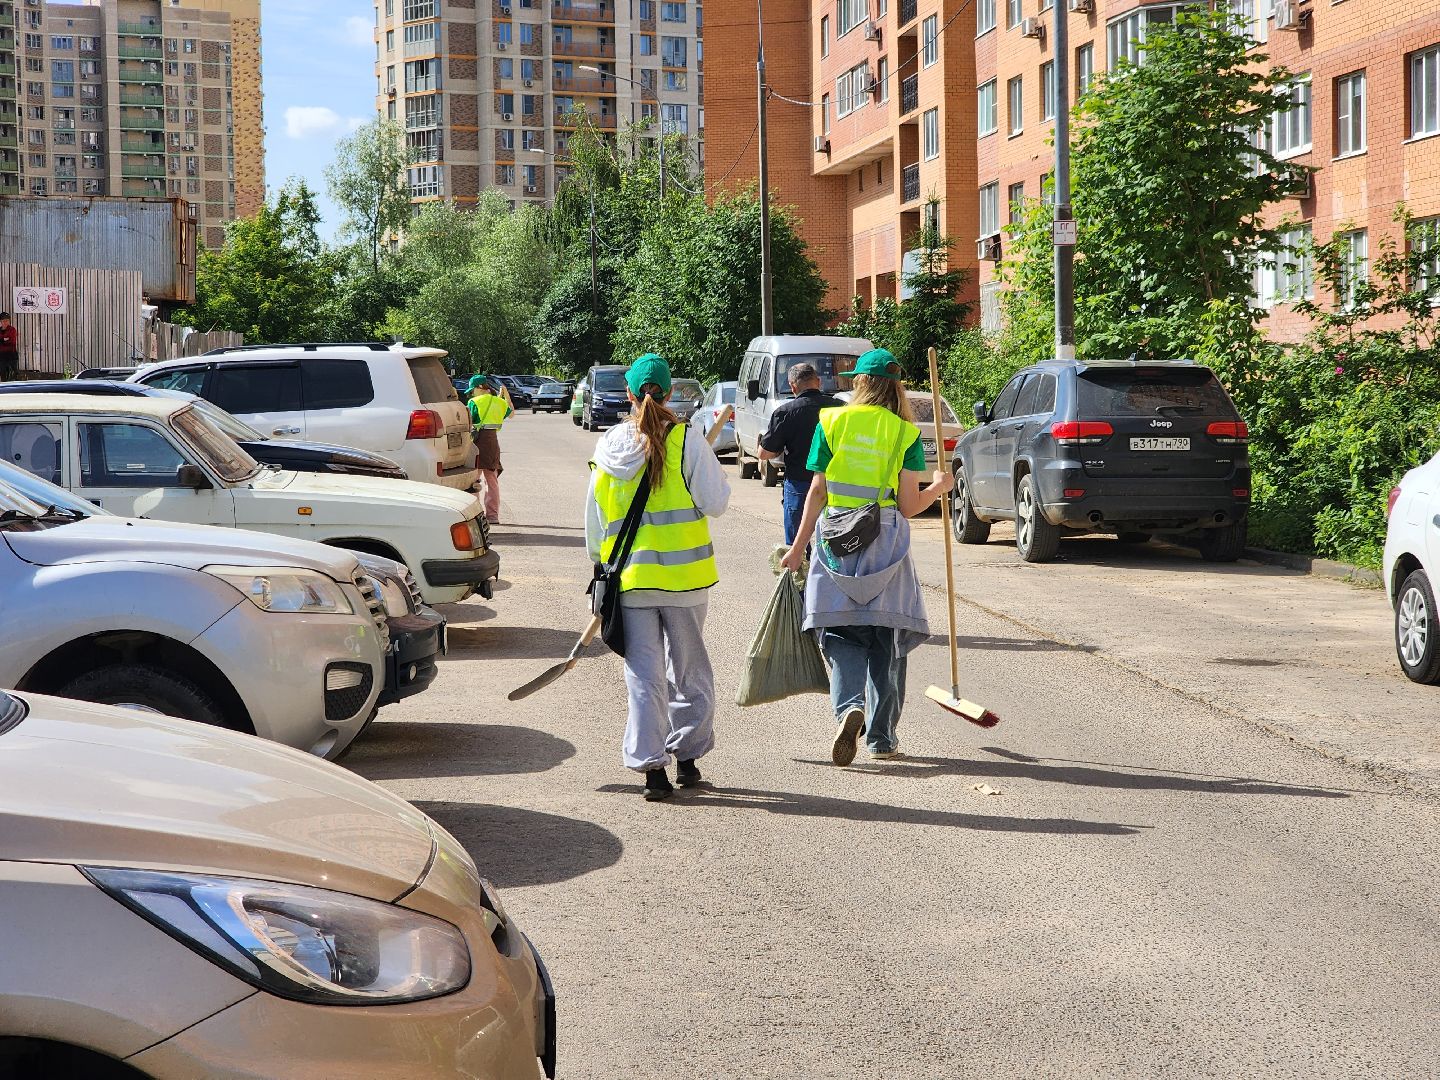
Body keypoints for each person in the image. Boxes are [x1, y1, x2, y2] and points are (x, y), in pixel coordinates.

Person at [779, 348, 953, 765]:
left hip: (837, 533)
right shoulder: (903, 433)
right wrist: (940, 487)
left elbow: (817, 491)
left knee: (841, 633)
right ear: (896, 386)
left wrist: (798, 546)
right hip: (884, 534)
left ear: (859, 382)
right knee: (886, 636)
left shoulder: (832, 420)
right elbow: (909, 505)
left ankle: (848, 708)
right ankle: (881, 737)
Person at [585, 353, 731, 801]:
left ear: (628, 394)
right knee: (690, 673)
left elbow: (594, 522)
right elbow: (717, 503)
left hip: (630, 583)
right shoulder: (688, 442)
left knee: (643, 677)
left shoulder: (608, 446)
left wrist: (602, 564)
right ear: (670, 394)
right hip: (685, 582)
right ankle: (686, 757)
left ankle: (652, 772)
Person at [758, 361, 842, 545]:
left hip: (799, 483)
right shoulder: (841, 409)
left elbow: (764, 453)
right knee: (835, 540)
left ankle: (800, 569)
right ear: (818, 382)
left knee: (796, 542)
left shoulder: (785, 412)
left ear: (792, 386)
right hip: (837, 483)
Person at [467, 374, 511, 525]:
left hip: (477, 443)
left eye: (473, 390)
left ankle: (474, 516)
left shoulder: (474, 402)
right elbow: (511, 413)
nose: (472, 393)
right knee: (491, 480)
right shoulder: (499, 402)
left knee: (473, 480)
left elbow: (469, 422)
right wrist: (505, 396)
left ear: (480, 387)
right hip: (493, 443)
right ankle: (493, 516)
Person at [0, 314, 18, 383]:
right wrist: (4, 340)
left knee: (14, 372)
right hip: (1, 356)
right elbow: (5, 341)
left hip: (11, 354)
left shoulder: (12, 330)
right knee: (3, 372)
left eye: (7, 320)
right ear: (1, 321)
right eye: (3, 321)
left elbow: (11, 342)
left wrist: (2, 341)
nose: (5, 322)